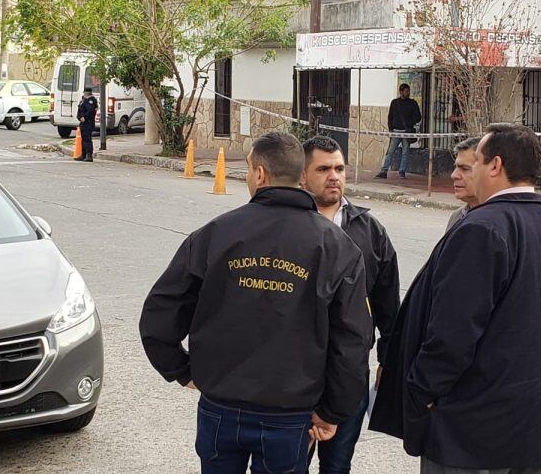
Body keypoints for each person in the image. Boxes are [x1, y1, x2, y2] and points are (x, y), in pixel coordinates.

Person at [139, 132, 372, 474]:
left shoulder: (215, 235)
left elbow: (160, 313)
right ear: (301, 176)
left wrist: (182, 370)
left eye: (248, 168)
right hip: (289, 414)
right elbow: (353, 341)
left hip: (222, 407)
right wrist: (332, 411)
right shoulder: (337, 247)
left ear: (260, 174)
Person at [370, 123, 541, 474]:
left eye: (476, 162)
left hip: (470, 427)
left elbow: (452, 332)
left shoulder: (481, 228)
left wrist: (421, 391)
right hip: (529, 415)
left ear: (496, 166)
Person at [301, 136, 401, 474]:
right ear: (302, 175)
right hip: (294, 377)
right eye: (324, 169)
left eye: (340, 169)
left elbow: (389, 307)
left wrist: (387, 362)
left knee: (337, 467)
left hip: (348, 377)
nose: (334, 176)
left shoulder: (370, 231)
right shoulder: (288, 226)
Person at [375, 83, 422, 180]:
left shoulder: (412, 103)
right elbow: (390, 116)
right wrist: (390, 128)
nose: (408, 93)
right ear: (401, 92)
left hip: (406, 131)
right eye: (406, 91)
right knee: (390, 151)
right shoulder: (395, 103)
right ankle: (384, 171)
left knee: (405, 152)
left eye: (408, 91)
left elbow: (418, 117)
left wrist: (409, 124)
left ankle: (402, 171)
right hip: (396, 131)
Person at [445, 136, 481, 231]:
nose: (454, 175)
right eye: (456, 167)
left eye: (465, 169)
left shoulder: (502, 222)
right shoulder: (457, 216)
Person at [75, 87, 98, 162]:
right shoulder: (84, 100)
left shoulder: (91, 100)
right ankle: (83, 154)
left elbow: (90, 111)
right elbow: (80, 109)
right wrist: (79, 117)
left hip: (88, 122)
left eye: (84, 93)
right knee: (83, 139)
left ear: (87, 93)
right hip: (83, 122)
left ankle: (89, 155)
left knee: (87, 139)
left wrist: (84, 117)